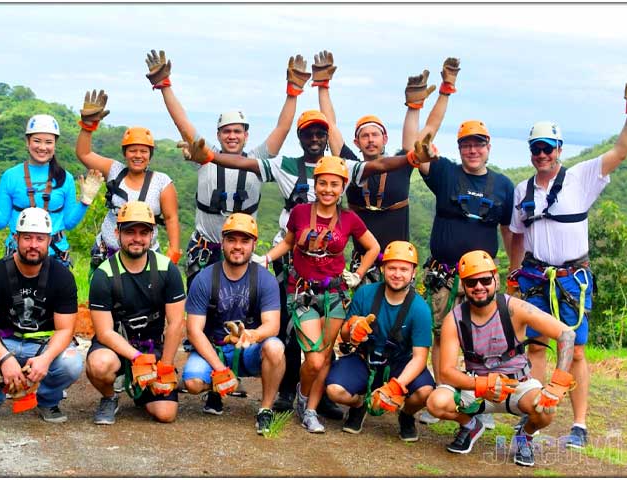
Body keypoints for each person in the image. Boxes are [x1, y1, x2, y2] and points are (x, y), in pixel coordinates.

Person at [181, 109, 434, 418]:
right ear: (300, 138)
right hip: (290, 259)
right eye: (308, 133)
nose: (314, 138)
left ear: (327, 138)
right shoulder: (286, 165)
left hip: (329, 273)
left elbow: (379, 165)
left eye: (319, 133)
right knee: (286, 327)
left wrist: (410, 160)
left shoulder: (345, 168)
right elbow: (245, 163)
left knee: (325, 340)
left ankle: (318, 391)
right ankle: (287, 389)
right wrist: (209, 157)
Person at [508, 70, 627, 450]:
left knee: (575, 350)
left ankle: (579, 424)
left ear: (559, 148)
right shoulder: (522, 190)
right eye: (535, 149)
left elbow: (621, 151)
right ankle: (535, 410)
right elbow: (516, 234)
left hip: (573, 279)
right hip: (536, 277)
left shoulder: (581, 177)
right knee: (537, 346)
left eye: (547, 147)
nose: (541, 154)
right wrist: (514, 271)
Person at [145, 49, 300, 290]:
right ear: (218, 134)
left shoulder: (256, 160)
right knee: (200, 304)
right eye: (226, 131)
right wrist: (165, 86)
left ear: (246, 136)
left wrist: (293, 93)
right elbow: (183, 123)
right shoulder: (204, 155)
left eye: (237, 131)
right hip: (206, 248)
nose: (232, 136)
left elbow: (282, 129)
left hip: (241, 248)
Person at [252, 155, 381, 433]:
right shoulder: (299, 213)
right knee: (314, 358)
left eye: (334, 184)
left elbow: (373, 247)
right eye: (322, 183)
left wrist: (358, 274)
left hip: (334, 293)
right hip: (302, 292)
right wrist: (265, 258)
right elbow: (288, 243)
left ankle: (310, 409)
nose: (327, 189)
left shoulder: (349, 219)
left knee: (324, 356)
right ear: (316, 184)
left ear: (342, 187)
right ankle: (302, 395)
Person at [317, 52, 459, 285]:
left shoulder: (400, 165)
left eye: (375, 135)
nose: (370, 140)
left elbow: (429, 128)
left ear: (384, 138)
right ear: (357, 142)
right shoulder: (352, 166)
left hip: (399, 264)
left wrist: (444, 91)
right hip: (362, 266)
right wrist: (323, 86)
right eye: (365, 136)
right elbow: (330, 125)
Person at [426, 250, 576, 467]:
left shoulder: (514, 308)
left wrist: (559, 382)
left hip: (518, 385)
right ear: (464, 285)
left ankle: (525, 435)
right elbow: (446, 372)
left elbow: (566, 334)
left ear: (495, 279)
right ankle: (470, 425)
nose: (479, 287)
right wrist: (479, 383)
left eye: (485, 280)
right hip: (476, 387)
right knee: (436, 402)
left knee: (545, 409)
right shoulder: (454, 318)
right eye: (471, 282)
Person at [0, 207, 84, 424]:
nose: (33, 245)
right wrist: (5, 358)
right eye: (27, 238)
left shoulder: (62, 276)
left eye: (40, 238)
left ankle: (48, 399)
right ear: (15, 238)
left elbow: (65, 329)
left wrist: (45, 359)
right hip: (4, 339)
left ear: (49, 240)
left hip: (42, 342)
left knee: (71, 363)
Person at [417, 119, 515, 387]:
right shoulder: (445, 172)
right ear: (459, 149)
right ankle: (444, 390)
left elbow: (508, 229)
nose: (473, 150)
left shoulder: (504, 186)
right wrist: (421, 105)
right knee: (440, 334)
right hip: (444, 274)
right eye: (467, 145)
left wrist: (515, 268)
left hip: (481, 276)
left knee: (484, 335)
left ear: (488, 147)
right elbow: (415, 147)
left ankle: (481, 393)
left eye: (478, 145)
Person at [181, 213, 284, 434]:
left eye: (244, 241)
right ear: (223, 241)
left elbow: (272, 325)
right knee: (192, 383)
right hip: (214, 349)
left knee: (275, 347)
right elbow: (194, 330)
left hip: (248, 349)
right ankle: (216, 389)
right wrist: (219, 369)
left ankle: (265, 408)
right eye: (231, 240)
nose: (237, 246)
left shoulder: (265, 279)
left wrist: (252, 336)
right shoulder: (205, 279)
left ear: (253, 244)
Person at [86, 201, 186, 424]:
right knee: (99, 364)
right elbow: (104, 332)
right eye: (129, 232)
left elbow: (176, 323)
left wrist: (165, 367)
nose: (137, 238)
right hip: (117, 345)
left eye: (144, 232)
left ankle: (143, 388)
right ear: (117, 233)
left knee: (165, 414)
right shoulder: (104, 275)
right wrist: (136, 358)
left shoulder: (166, 269)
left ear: (152, 235)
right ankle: (110, 397)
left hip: (152, 346)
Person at [325, 241, 435, 442]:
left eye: (404, 269)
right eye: (392, 268)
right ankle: (359, 406)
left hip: (399, 363)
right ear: (383, 268)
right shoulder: (365, 293)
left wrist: (397, 385)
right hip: (365, 358)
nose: (397, 274)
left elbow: (420, 358)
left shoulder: (420, 309)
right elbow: (344, 335)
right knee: (334, 390)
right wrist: (353, 327)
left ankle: (407, 414)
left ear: (413, 273)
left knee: (425, 392)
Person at [0, 114, 103, 267]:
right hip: (18, 256)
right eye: (37, 141)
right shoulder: (10, 176)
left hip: (55, 256)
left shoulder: (65, 178)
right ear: (27, 142)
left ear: (54, 145)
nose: (42, 147)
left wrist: (85, 201)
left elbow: (69, 223)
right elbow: (1, 221)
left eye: (48, 142)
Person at [75, 89, 180, 274]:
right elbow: (84, 153)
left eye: (143, 151)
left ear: (150, 155)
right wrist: (87, 126)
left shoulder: (162, 182)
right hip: (107, 253)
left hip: (145, 257)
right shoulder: (115, 170)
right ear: (125, 153)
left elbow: (171, 218)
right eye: (132, 150)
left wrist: (173, 253)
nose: (138, 155)